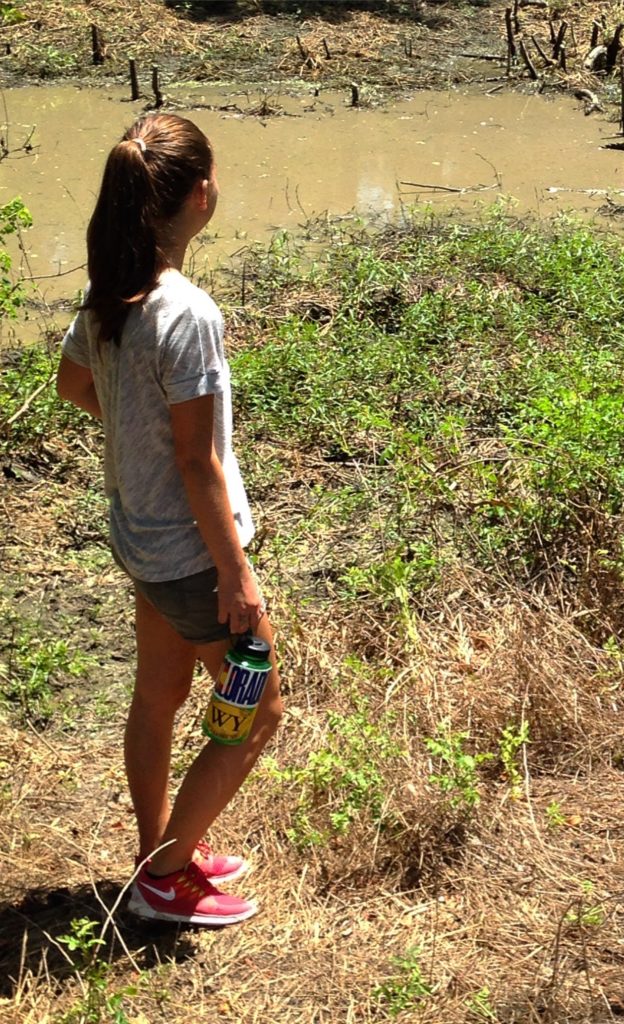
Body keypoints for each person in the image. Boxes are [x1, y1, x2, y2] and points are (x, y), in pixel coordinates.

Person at [56, 113, 283, 927]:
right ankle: (168, 876)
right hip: (191, 559)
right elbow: (198, 461)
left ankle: (158, 854)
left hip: (140, 543)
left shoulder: (110, 293)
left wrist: (134, 438)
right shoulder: (186, 312)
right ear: (199, 194)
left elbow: (76, 388)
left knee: (159, 695)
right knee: (255, 706)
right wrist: (235, 574)